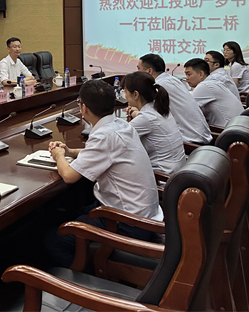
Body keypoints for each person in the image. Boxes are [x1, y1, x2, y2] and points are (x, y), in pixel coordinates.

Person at [44, 79, 162, 267]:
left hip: (127, 223)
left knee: (53, 240)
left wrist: (58, 155)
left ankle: (85, 278)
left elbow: (69, 176)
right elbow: (103, 153)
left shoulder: (104, 135)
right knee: (63, 214)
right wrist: (70, 152)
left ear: (84, 108)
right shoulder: (120, 125)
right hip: (140, 213)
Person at [137, 54, 212, 145]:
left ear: (149, 71)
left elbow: (150, 117)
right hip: (200, 137)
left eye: (139, 69)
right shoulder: (172, 80)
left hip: (191, 142)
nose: (137, 73)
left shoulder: (159, 86)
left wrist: (134, 112)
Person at [123, 72, 185, 174]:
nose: (125, 96)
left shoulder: (145, 118)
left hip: (162, 176)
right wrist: (134, 113)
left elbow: (117, 137)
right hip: (176, 170)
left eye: (125, 92)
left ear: (135, 94)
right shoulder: (159, 108)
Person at [184, 58, 243, 128]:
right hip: (236, 126)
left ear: (201, 74)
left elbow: (186, 109)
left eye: (189, 74)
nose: (187, 78)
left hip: (228, 130)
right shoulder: (212, 82)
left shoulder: (205, 86)